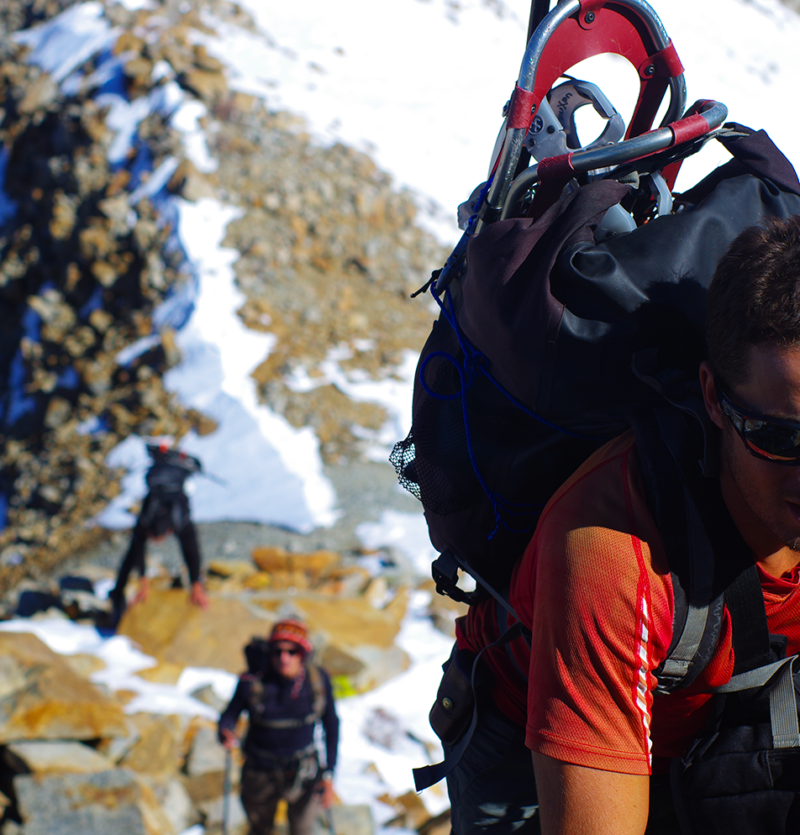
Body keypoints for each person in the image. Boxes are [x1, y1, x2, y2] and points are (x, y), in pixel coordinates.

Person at [442, 215, 800, 834]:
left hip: (716, 716)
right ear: (713, 399)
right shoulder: (613, 553)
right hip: (532, 750)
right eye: (780, 438)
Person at [218, 618, 339, 835]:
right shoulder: (252, 681)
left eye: (292, 651)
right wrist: (225, 731)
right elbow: (229, 715)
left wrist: (329, 774)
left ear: (303, 654)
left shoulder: (317, 682)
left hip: (304, 771)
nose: (284, 658)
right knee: (260, 830)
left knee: (302, 830)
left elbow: (331, 725)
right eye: (278, 651)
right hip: (260, 772)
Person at [109, 441, 208, 620]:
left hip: (168, 494)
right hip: (164, 493)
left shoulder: (172, 516)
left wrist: (196, 584)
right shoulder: (160, 517)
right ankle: (117, 594)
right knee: (135, 547)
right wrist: (143, 581)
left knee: (134, 548)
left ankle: (117, 594)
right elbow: (190, 550)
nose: (157, 543)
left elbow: (191, 551)